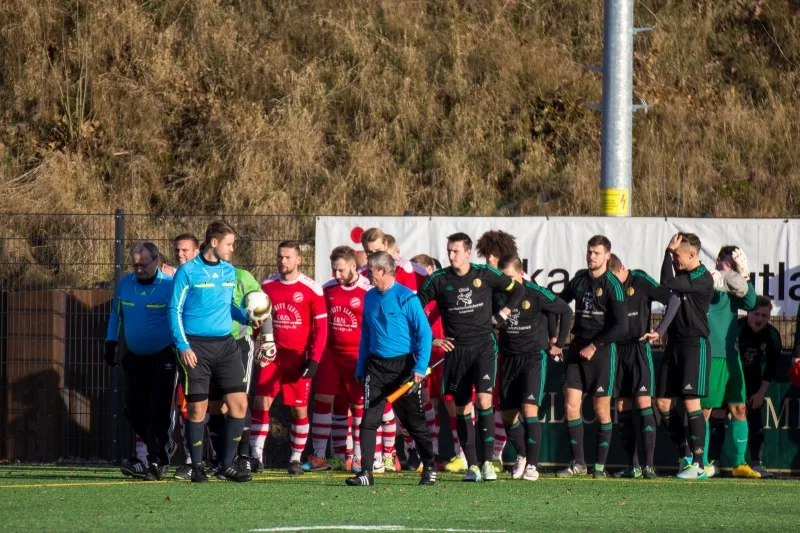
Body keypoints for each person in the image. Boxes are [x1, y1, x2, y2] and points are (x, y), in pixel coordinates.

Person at [417, 232, 524, 482]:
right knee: (462, 407)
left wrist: (504, 313)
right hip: (456, 351)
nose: (451, 255)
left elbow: (518, 290)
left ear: (467, 252)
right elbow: (414, 309)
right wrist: (431, 339)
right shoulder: (438, 280)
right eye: (449, 251)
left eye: (456, 251)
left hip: (484, 346)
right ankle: (472, 466)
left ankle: (488, 463)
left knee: (484, 401)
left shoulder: (484, 274)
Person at [169, 221, 253, 483]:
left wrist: (247, 316)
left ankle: (226, 465)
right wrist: (183, 346)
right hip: (196, 347)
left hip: (226, 346)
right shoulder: (188, 271)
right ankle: (196, 467)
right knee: (198, 409)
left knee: (239, 404)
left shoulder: (229, 271)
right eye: (229, 244)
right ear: (214, 243)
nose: (232, 249)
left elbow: (230, 307)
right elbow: (174, 310)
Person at [345, 252, 436, 486]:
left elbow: (425, 334)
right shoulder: (369, 297)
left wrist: (420, 366)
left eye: (370, 271)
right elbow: (366, 335)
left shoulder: (407, 298)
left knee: (414, 422)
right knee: (368, 420)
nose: (366, 274)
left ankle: (429, 465)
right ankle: (366, 473)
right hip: (375, 368)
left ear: (383, 271)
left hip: (403, 368)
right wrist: (360, 367)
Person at [554, 235, 628, 479]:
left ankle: (599, 467)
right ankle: (578, 463)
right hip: (577, 350)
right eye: (589, 252)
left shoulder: (613, 285)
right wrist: (554, 337)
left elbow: (622, 326)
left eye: (596, 253)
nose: (591, 257)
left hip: (602, 353)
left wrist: (595, 346)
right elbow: (557, 304)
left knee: (601, 410)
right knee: (570, 406)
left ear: (607, 256)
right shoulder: (579, 280)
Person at [252, 241, 327, 475]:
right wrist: (255, 340)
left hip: (298, 359)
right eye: (279, 257)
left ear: (299, 260)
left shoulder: (312, 289)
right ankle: (256, 456)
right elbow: (258, 318)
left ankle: (295, 459)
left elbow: (321, 329)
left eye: (287, 257)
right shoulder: (267, 285)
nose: (282, 261)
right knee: (261, 402)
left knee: (299, 410)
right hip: (273, 357)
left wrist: (314, 359)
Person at [496, 255, 573, 481]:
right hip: (508, 358)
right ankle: (522, 454)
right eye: (503, 278)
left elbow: (565, 311)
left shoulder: (535, 293)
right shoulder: (497, 293)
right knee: (508, 416)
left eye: (510, 277)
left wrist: (559, 343)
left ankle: (532, 464)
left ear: (521, 274)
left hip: (533, 357)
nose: (507, 282)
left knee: (529, 409)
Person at [105, 242, 176, 481]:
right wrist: (110, 341)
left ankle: (156, 461)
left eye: (144, 265)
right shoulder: (126, 284)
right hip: (135, 357)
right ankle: (162, 446)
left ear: (156, 261)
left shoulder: (169, 286)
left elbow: (179, 317)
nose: (139, 270)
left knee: (158, 410)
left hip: (163, 356)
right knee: (134, 410)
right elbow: (116, 315)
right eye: (135, 265)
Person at [607, 254, 680, 479]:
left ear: (622, 268)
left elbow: (673, 300)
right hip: (616, 350)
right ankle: (634, 467)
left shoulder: (639, 279)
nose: (613, 285)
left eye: (614, 279)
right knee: (621, 405)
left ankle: (649, 466)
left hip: (638, 348)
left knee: (643, 402)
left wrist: (660, 330)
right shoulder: (605, 284)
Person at [304, 246, 371, 472]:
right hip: (330, 355)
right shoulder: (327, 289)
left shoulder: (368, 290)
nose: (337, 275)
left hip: (356, 356)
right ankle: (320, 456)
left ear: (353, 266)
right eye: (334, 270)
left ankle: (359, 458)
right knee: (323, 399)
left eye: (341, 270)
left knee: (358, 405)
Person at [655, 233, 715, 480]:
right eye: (673, 256)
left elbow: (667, 282)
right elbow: (666, 284)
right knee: (662, 402)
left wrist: (667, 253)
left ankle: (700, 464)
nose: (674, 259)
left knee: (691, 403)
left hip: (694, 345)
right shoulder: (681, 274)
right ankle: (685, 456)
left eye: (677, 255)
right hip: (675, 344)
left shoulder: (701, 277)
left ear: (692, 254)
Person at [206, 259, 272, 475]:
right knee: (215, 404)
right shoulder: (202, 276)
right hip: (212, 345)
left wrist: (268, 338)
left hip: (240, 344)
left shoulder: (243, 277)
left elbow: (263, 304)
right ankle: (220, 458)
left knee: (240, 400)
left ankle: (243, 456)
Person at [702, 246, 761, 479]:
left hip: (731, 356)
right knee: (704, 411)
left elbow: (752, 302)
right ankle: (700, 463)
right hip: (712, 354)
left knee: (739, 408)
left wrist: (745, 274)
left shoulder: (735, 286)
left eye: (735, 264)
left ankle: (738, 464)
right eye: (728, 262)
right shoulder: (708, 280)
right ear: (718, 260)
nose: (731, 266)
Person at [736, 296, 781, 478]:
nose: (759, 319)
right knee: (718, 415)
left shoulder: (772, 335)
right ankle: (714, 463)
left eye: (764, 315)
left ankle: (756, 464)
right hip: (731, 376)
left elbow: (771, 367)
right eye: (756, 314)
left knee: (755, 420)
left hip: (753, 379)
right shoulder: (737, 328)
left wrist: (760, 393)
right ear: (748, 313)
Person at [170, 232, 201, 480]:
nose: (180, 254)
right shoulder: (175, 276)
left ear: (197, 251)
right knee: (184, 405)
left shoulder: (205, 274)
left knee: (216, 407)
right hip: (182, 350)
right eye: (177, 250)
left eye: (185, 250)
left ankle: (223, 459)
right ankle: (190, 460)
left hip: (209, 349)